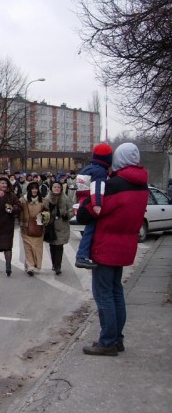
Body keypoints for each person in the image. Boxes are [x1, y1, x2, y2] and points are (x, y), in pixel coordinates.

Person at [79, 143, 148, 356]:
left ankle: (107, 341)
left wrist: (84, 201)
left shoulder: (115, 185)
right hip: (125, 246)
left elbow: (86, 213)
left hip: (105, 246)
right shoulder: (142, 185)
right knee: (117, 292)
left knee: (104, 295)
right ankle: (117, 338)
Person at [74, 143, 113, 269]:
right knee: (90, 230)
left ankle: (84, 254)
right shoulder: (100, 171)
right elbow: (97, 188)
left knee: (88, 230)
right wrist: (97, 204)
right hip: (91, 204)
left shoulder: (87, 169)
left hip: (83, 202)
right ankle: (81, 256)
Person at [43, 181, 73, 275]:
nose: (56, 188)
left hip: (62, 225)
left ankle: (58, 266)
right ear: (51, 188)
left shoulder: (66, 198)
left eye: (58, 187)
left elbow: (71, 209)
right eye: (54, 187)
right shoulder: (47, 199)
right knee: (52, 246)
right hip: (51, 226)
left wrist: (68, 215)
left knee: (59, 246)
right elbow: (42, 211)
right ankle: (54, 263)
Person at [19, 181, 49, 276]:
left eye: (36, 188)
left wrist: (46, 215)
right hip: (25, 226)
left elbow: (48, 212)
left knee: (37, 248)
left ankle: (35, 264)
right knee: (28, 247)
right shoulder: (23, 200)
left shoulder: (43, 201)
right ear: (29, 190)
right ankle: (30, 266)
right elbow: (18, 210)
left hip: (38, 227)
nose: (34, 190)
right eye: (32, 188)